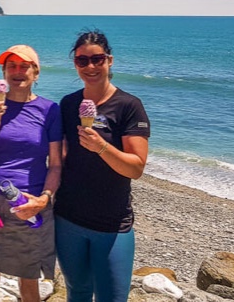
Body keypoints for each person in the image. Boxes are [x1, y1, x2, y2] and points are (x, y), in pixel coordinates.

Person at [54, 29, 151, 302]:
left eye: (97, 59)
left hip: (112, 224)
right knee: (78, 293)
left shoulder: (129, 106)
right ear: (75, 64)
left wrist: (102, 147)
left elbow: (136, 168)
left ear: (110, 60)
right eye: (82, 61)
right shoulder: (69, 103)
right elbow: (59, 155)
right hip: (68, 218)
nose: (91, 67)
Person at [0, 45, 62, 302]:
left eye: (24, 66)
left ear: (36, 73)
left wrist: (44, 199)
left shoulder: (49, 110)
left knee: (29, 286)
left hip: (30, 204)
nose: (17, 72)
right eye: (12, 66)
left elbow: (55, 164)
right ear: (4, 72)